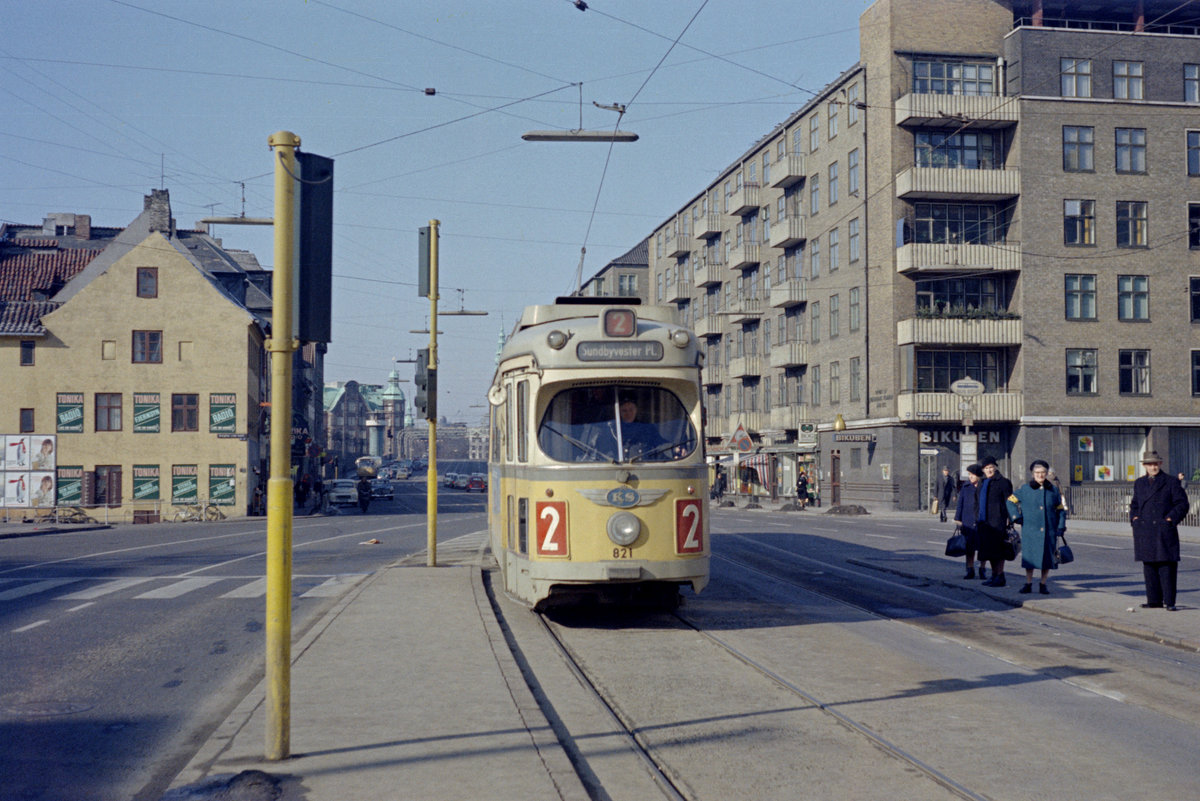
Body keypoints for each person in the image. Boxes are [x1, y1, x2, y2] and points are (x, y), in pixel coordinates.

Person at [1130, 451, 1189, 611]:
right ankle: (1153, 600)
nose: (1153, 467)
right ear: (1144, 466)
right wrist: (1134, 518)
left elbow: (1182, 504)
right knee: (1149, 565)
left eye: (1155, 464)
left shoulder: (1171, 481)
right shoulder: (1139, 483)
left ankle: (1169, 602)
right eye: (1150, 464)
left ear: (1160, 464)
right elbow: (1135, 504)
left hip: (1163, 529)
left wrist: (1169, 519)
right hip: (1145, 529)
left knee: (1166, 565)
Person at [1006, 460, 1067, 595]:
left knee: (1047, 559)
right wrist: (1016, 517)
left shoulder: (1053, 490)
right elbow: (1010, 501)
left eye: (1043, 472)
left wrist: (1061, 526)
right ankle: (1028, 583)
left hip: (1049, 530)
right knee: (1030, 559)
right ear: (1033, 474)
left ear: (1046, 473)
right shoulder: (1025, 489)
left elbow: (1061, 510)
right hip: (1031, 531)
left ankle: (1043, 584)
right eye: (1037, 473)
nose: (1040, 475)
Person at [976, 456, 1014, 587]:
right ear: (983, 470)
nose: (989, 470)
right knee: (989, 551)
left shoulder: (1003, 482)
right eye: (986, 468)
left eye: (991, 467)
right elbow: (977, 502)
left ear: (995, 467)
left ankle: (1000, 575)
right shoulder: (982, 483)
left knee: (999, 550)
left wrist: (1010, 518)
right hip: (984, 522)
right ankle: (993, 575)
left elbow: (1010, 501)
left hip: (998, 521)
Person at [954, 464, 985, 580]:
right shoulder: (966, 486)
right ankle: (970, 569)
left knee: (982, 547)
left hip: (981, 520)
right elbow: (960, 503)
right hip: (967, 520)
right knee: (969, 547)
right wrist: (958, 518)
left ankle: (982, 568)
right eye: (969, 474)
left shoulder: (984, 486)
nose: (970, 477)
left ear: (978, 475)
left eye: (972, 475)